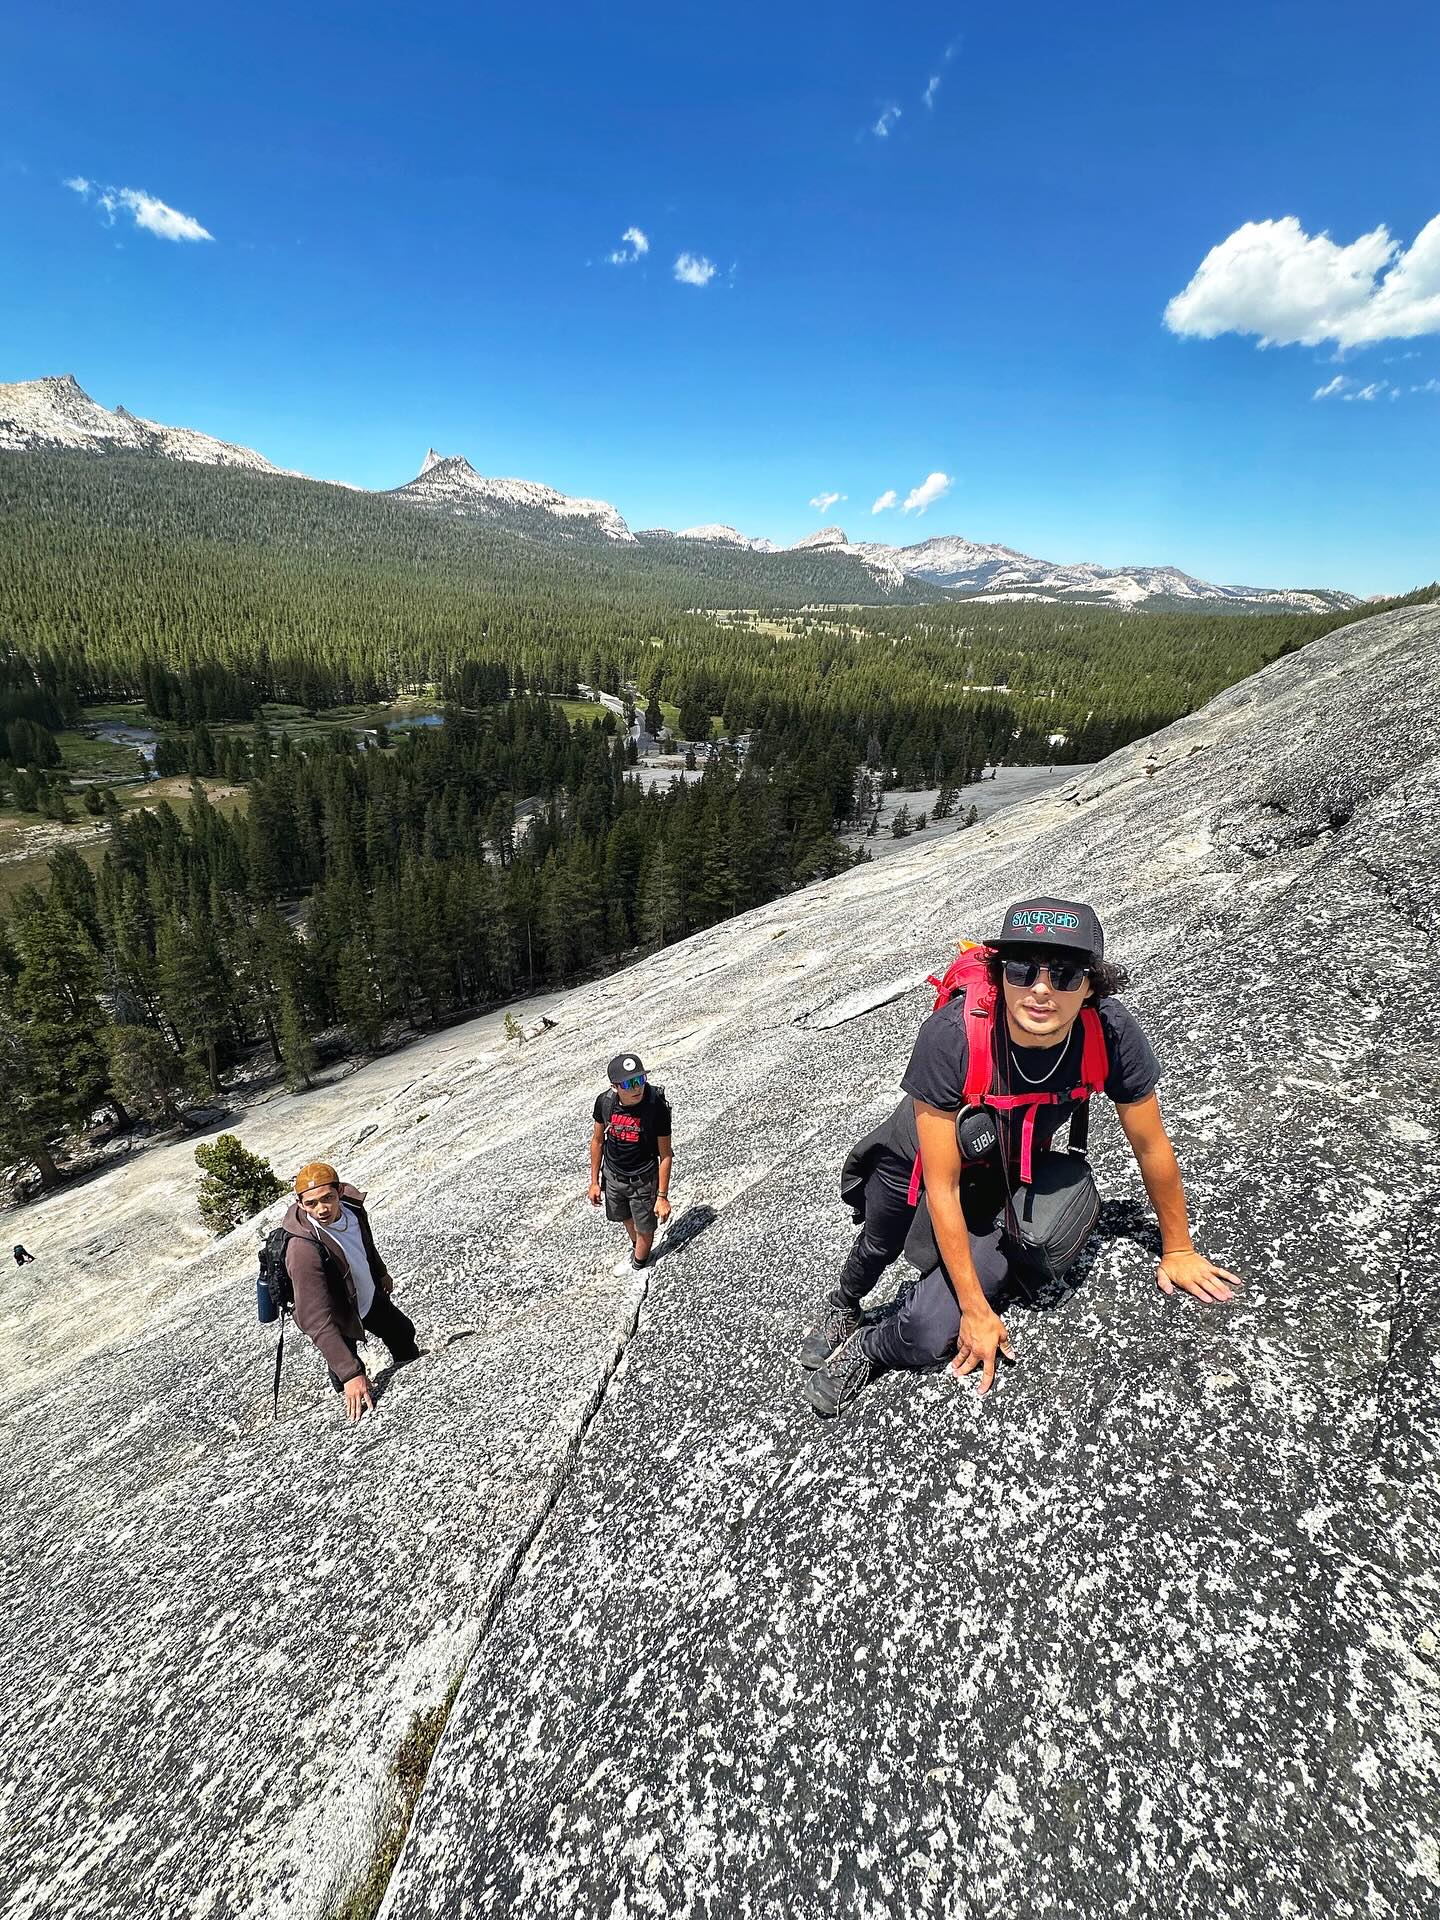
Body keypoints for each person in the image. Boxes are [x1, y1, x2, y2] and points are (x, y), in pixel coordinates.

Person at [802, 896, 1238, 1417]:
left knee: (927, 1330)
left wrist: (1179, 1248)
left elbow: (1150, 1145)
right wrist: (974, 1309)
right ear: (999, 972)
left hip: (1005, 1176)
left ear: (1093, 986)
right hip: (915, 1160)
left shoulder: (1111, 1033)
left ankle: (869, 1349)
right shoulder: (953, 1035)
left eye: (1065, 975)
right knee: (880, 1241)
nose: (1040, 989)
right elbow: (939, 1186)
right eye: (1021, 968)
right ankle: (843, 1306)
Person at [282, 1162, 419, 1421]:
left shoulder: (353, 1208)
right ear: (300, 1204)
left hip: (366, 1298)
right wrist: (350, 1374)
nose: (321, 1209)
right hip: (338, 1315)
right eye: (311, 1203)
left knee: (403, 1332)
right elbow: (315, 1318)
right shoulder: (302, 1248)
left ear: (340, 1192)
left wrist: (380, 1272)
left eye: (328, 1199)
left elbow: (365, 1242)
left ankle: (416, 1373)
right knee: (345, 1365)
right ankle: (347, 1396)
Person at [589, 1052, 673, 1270]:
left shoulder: (655, 1106)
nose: (637, 1088)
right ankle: (637, 1249)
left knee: (645, 1227)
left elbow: (665, 1154)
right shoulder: (605, 1102)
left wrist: (662, 1197)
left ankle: (639, 1264)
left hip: (643, 1178)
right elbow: (598, 1141)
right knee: (625, 1216)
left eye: (640, 1079)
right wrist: (594, 1182)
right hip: (613, 1174)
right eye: (629, 1083)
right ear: (615, 1086)